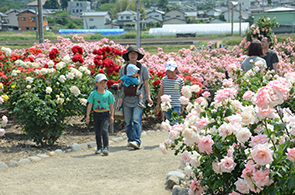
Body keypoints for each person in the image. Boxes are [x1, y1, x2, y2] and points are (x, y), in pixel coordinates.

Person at [117, 45, 153, 150]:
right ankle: (131, 140)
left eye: (135, 53)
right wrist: (116, 86)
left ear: (138, 56)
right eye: (131, 53)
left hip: (139, 98)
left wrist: (149, 97)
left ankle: (136, 141)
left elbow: (146, 83)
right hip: (126, 98)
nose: (133, 55)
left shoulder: (143, 68)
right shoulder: (123, 68)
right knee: (128, 122)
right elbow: (122, 83)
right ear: (127, 56)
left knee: (136, 119)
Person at [86, 74, 115, 155]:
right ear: (96, 83)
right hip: (96, 114)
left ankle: (106, 147)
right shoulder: (93, 94)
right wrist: (87, 116)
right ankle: (99, 147)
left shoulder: (108, 94)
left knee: (104, 130)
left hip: (105, 114)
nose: (103, 84)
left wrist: (112, 115)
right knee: (97, 132)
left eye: (104, 82)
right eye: (101, 82)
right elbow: (90, 105)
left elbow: (111, 105)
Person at [153, 61, 184, 125]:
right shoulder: (164, 80)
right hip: (166, 105)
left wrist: (182, 105)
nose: (170, 73)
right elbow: (160, 92)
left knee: (175, 121)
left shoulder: (180, 80)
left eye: (172, 71)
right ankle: (171, 134)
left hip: (176, 104)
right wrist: (158, 104)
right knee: (169, 121)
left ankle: (175, 134)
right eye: (169, 71)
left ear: (176, 70)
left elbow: (182, 93)